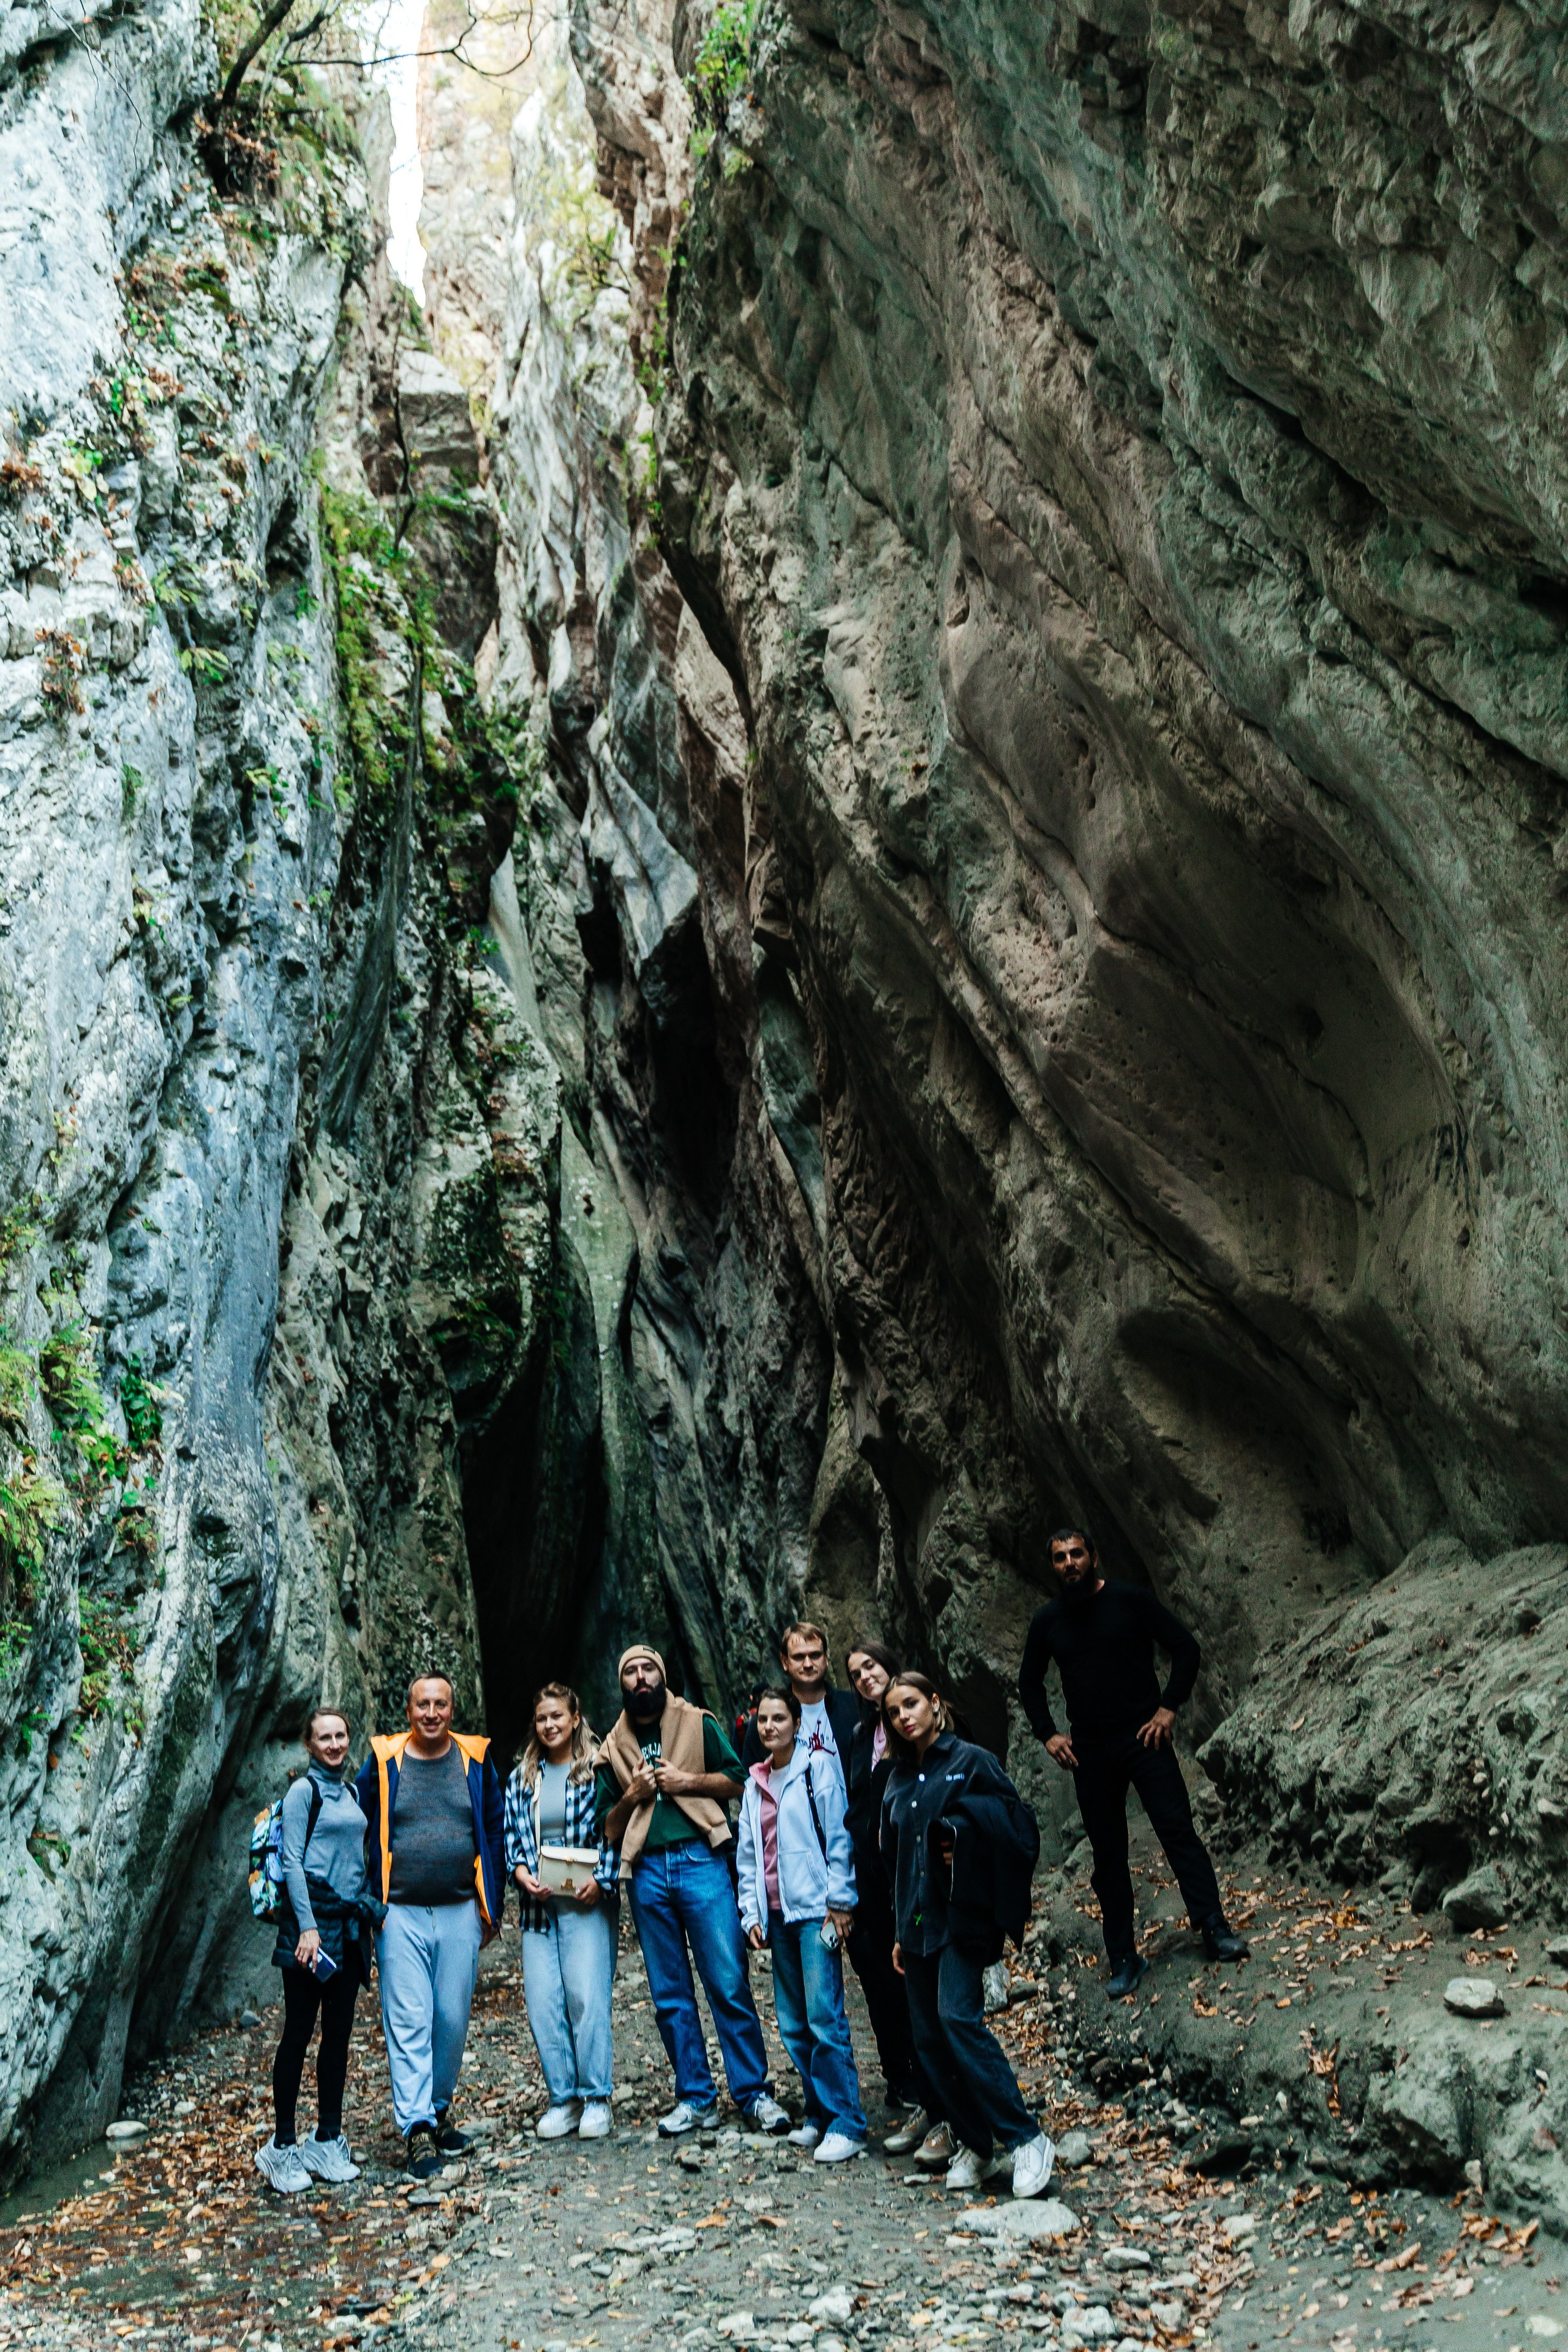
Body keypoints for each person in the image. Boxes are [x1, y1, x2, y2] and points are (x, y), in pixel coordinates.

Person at [1017, 1526, 1247, 1997]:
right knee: (1108, 1855)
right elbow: (1030, 1682)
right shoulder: (1048, 1621)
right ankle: (1123, 1956)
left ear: (1093, 1555)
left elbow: (1186, 1648)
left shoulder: (1130, 1600)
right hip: (1090, 1750)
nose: (1069, 1563)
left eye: (1076, 1553)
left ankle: (1214, 1926)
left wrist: (1168, 1708)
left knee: (1178, 1831)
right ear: (1053, 1566)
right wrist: (1048, 1734)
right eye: (1060, 1557)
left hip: (1145, 1737)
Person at [595, 1643, 790, 2137]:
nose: (641, 1678)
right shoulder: (613, 1746)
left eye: (649, 1668)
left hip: (701, 1858)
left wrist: (685, 1782)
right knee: (669, 1992)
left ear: (663, 1675)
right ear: (622, 1684)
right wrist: (634, 1794)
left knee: (727, 1979)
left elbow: (739, 1780)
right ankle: (697, 2097)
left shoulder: (698, 1723)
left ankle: (753, 2093)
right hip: (645, 1870)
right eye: (631, 1672)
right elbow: (608, 1827)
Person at [881, 1672, 1055, 2199]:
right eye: (893, 1712)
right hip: (915, 1924)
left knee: (958, 2018)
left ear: (935, 1704)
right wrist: (899, 1931)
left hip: (961, 1915)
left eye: (911, 1704)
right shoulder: (896, 1778)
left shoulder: (971, 1761)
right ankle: (977, 2145)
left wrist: (965, 1833)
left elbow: (1018, 1827)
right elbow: (897, 1860)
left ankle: (1026, 2138)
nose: (904, 1717)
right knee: (928, 2040)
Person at [356, 1672, 506, 2178]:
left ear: (452, 1710)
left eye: (440, 1704)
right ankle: (417, 2127)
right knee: (409, 2018)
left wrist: (492, 1906)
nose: (432, 1713)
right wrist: (365, 1899)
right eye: (423, 1705)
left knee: (451, 2018)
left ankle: (438, 2110)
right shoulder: (384, 1761)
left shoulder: (475, 1759)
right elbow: (357, 1824)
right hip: (398, 1912)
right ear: (408, 1711)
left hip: (460, 1907)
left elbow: (493, 1829)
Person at [256, 1704, 383, 2193]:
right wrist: (307, 1928)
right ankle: (282, 2146)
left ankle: (327, 2138)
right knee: (298, 2032)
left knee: (338, 2034)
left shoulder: (351, 1792)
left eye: (340, 1736)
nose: (334, 1744)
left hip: (348, 1928)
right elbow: (292, 1861)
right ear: (309, 1744)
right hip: (310, 1930)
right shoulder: (302, 1792)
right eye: (324, 1738)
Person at [736, 1686, 866, 2163]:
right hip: (777, 1914)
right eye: (763, 1720)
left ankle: (847, 2122)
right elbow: (748, 1856)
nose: (770, 1727)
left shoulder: (818, 1769)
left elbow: (840, 1837)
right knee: (792, 2023)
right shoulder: (754, 1784)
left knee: (824, 2017)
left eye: (779, 1718)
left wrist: (841, 1899)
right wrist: (751, 1913)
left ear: (797, 1723)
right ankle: (819, 2112)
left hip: (815, 1912)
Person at [504, 1682, 619, 2141]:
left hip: (585, 1901)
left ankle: (596, 2097)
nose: (549, 1725)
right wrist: (520, 1873)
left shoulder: (597, 1770)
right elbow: (512, 1836)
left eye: (557, 1716)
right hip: (538, 1906)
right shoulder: (522, 1777)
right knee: (544, 2003)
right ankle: (563, 2098)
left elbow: (616, 1828)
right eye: (542, 1718)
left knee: (586, 1998)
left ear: (575, 1719)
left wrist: (603, 1879)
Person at [842, 1641, 927, 2141]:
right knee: (877, 1975)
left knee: (913, 1970)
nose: (864, 1677)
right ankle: (900, 2075)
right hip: (870, 1875)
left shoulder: (914, 1727)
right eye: (856, 1674)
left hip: (911, 1874)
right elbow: (855, 1803)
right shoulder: (861, 1736)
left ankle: (930, 2075)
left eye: (870, 1666)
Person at [739, 1621, 859, 1781]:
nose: (808, 1664)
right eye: (799, 1657)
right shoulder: (767, 1721)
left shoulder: (854, 1706)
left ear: (826, 1659)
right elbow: (751, 1780)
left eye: (815, 1655)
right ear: (785, 1662)